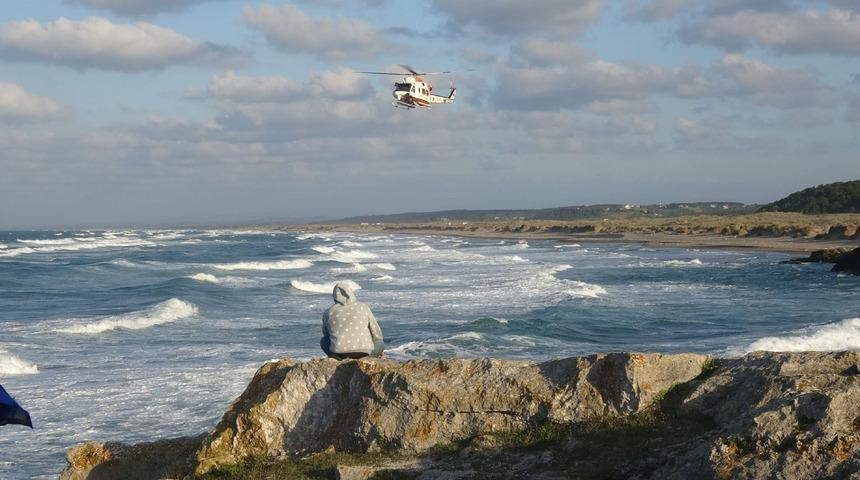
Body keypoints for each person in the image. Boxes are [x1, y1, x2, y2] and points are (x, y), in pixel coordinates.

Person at [320, 282, 384, 360]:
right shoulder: (363, 307)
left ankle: (338, 359)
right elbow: (376, 331)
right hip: (364, 352)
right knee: (380, 343)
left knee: (324, 341)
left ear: (335, 296)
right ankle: (368, 358)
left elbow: (326, 334)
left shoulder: (329, 311)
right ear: (351, 293)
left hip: (339, 353)